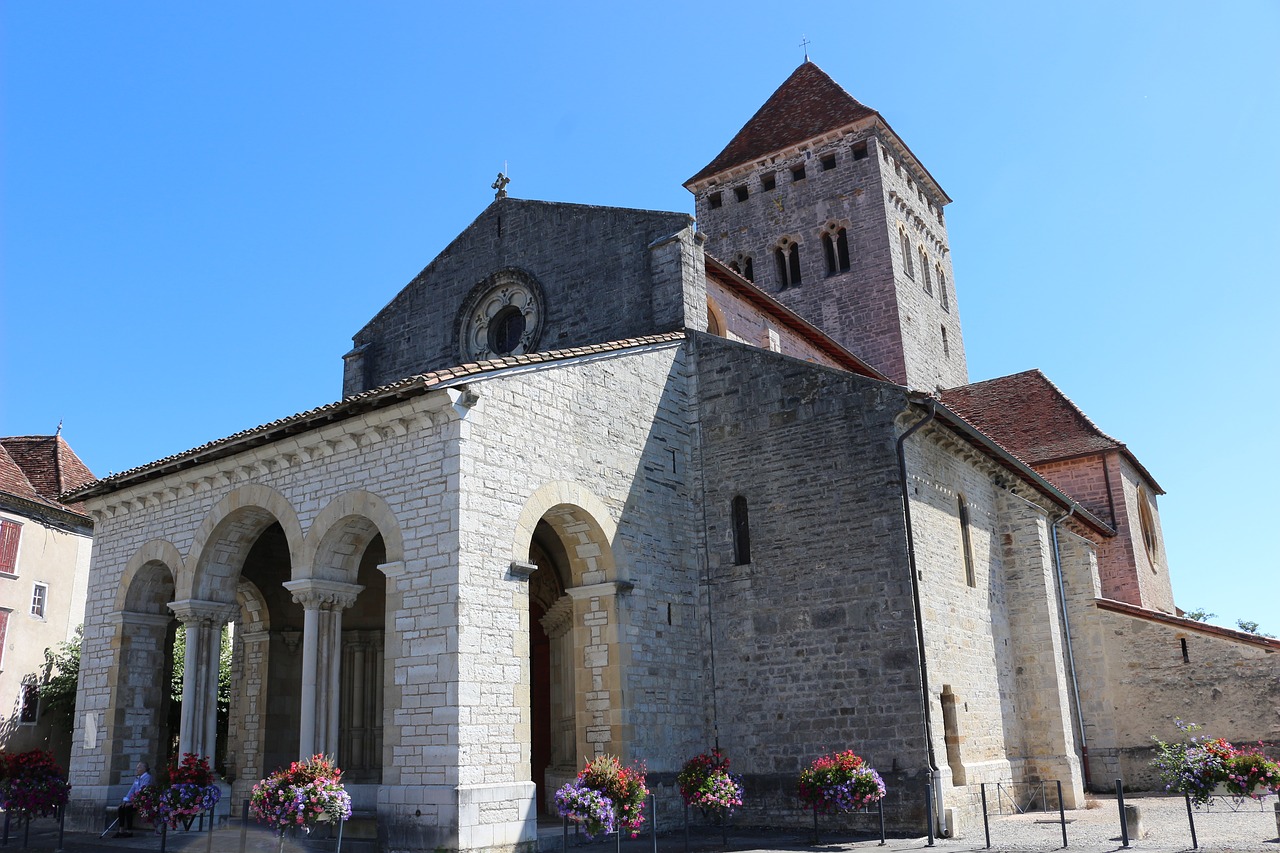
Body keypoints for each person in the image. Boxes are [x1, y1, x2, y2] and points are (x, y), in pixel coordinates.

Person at [115, 761, 151, 838]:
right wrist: (126, 800)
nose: (137, 769)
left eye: (139, 767)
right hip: (135, 800)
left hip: (143, 801)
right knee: (121, 807)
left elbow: (142, 792)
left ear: (144, 769)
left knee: (128, 808)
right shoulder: (137, 778)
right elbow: (132, 790)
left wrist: (133, 803)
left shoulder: (147, 777)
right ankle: (121, 830)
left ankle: (129, 831)